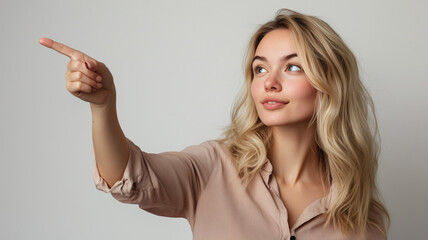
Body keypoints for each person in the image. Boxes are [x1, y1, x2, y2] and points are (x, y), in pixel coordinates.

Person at [40, 8, 389, 240]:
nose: (270, 82)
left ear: (331, 80)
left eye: (293, 67)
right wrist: (103, 105)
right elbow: (129, 176)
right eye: (260, 68)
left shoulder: (361, 215)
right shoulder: (212, 168)